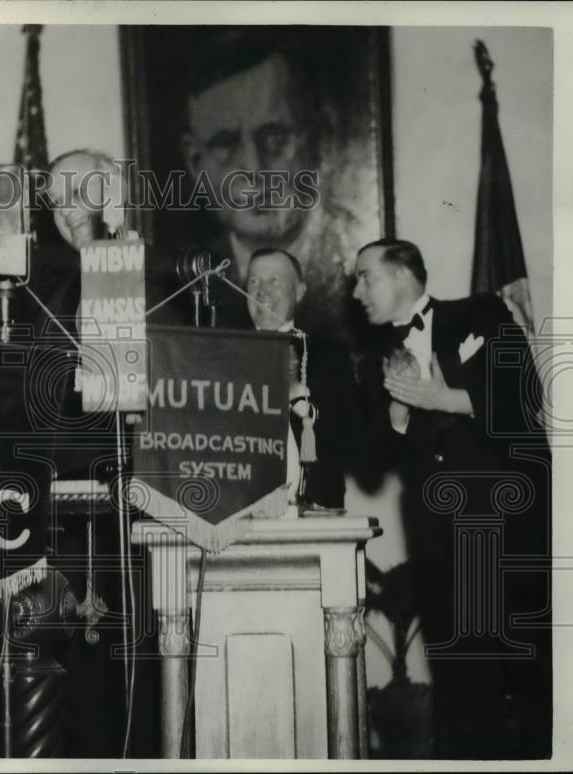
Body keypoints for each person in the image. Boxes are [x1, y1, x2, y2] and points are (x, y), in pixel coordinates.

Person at [352, 238, 551, 759]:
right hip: (439, 539)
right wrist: (398, 415)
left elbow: (526, 394)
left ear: (400, 276)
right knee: (461, 681)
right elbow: (371, 464)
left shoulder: (480, 312)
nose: (356, 292)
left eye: (365, 277)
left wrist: (448, 400)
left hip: (505, 524)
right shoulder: (372, 359)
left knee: (529, 671)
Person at [180, 31, 360, 334]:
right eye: (226, 144)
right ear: (196, 162)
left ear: (321, 142)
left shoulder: (356, 256)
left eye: (275, 137)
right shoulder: (186, 282)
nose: (252, 168)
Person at [245, 247, 357, 509]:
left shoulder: (330, 354)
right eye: (254, 281)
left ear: (299, 291)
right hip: (242, 511)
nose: (262, 291)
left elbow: (349, 438)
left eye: (274, 280)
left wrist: (296, 392)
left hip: (317, 505)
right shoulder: (224, 354)